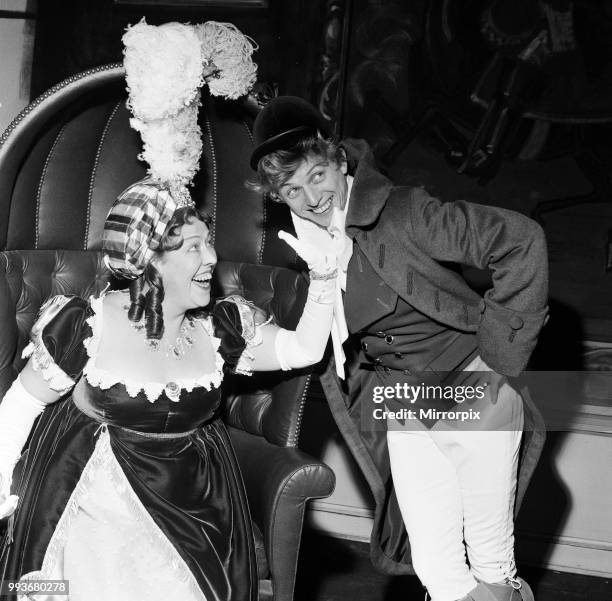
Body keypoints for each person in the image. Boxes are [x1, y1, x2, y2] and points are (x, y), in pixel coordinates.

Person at [248, 96, 549, 601]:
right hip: (406, 404)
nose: (311, 197)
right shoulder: (310, 247)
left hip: (471, 388)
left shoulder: (405, 211)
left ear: (340, 161)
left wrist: (497, 358)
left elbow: (520, 240)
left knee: (492, 565)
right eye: (292, 189)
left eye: (318, 175)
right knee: (438, 566)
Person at [0, 177, 336, 601]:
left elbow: (303, 350)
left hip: (195, 504)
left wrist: (323, 279)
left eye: (208, 242)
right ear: (150, 260)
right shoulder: (87, 325)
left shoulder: (219, 328)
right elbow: (21, 404)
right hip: (92, 502)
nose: (213, 257)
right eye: (193, 247)